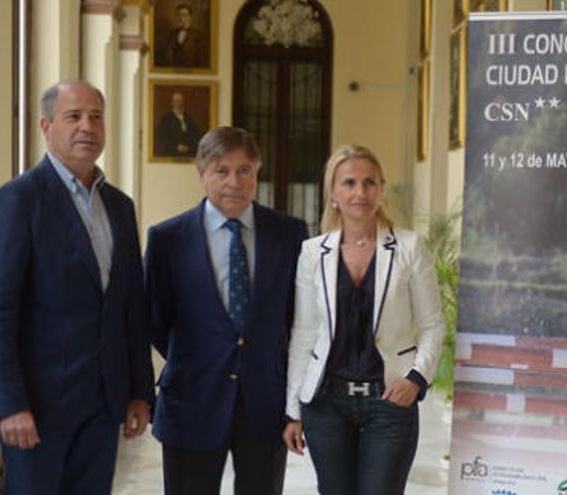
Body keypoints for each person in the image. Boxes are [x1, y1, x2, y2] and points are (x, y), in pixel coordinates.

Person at [0, 80, 154, 495]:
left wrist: (139, 391)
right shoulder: (16, 202)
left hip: (104, 407)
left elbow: (130, 307)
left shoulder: (119, 207)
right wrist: (8, 405)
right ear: (46, 126)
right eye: (73, 117)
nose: (86, 127)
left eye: (95, 116)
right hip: (36, 411)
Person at [145, 126, 308, 495]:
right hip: (192, 399)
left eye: (244, 170)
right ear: (202, 175)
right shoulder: (168, 239)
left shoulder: (290, 234)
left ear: (257, 173)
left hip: (265, 402)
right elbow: (155, 319)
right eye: (221, 171)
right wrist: (199, 358)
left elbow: (298, 318)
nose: (234, 181)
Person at [283, 144, 445, 495]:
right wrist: (293, 410)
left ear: (381, 189)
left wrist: (416, 379)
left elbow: (433, 325)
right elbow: (304, 334)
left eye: (370, 182)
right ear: (333, 193)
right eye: (350, 183)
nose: (361, 192)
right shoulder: (313, 252)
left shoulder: (409, 248)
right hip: (326, 404)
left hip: (389, 400)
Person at [156, 91, 201, 157]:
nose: (179, 104)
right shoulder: (166, 119)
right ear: (172, 103)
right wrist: (176, 147)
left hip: (188, 155)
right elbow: (163, 139)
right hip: (171, 155)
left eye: (180, 101)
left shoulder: (188, 119)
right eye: (176, 101)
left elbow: (195, 137)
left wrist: (188, 147)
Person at [161, 3, 206, 68]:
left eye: (184, 15)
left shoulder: (198, 35)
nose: (181, 18)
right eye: (179, 15)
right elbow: (168, 54)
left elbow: (201, 58)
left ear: (190, 17)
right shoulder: (172, 33)